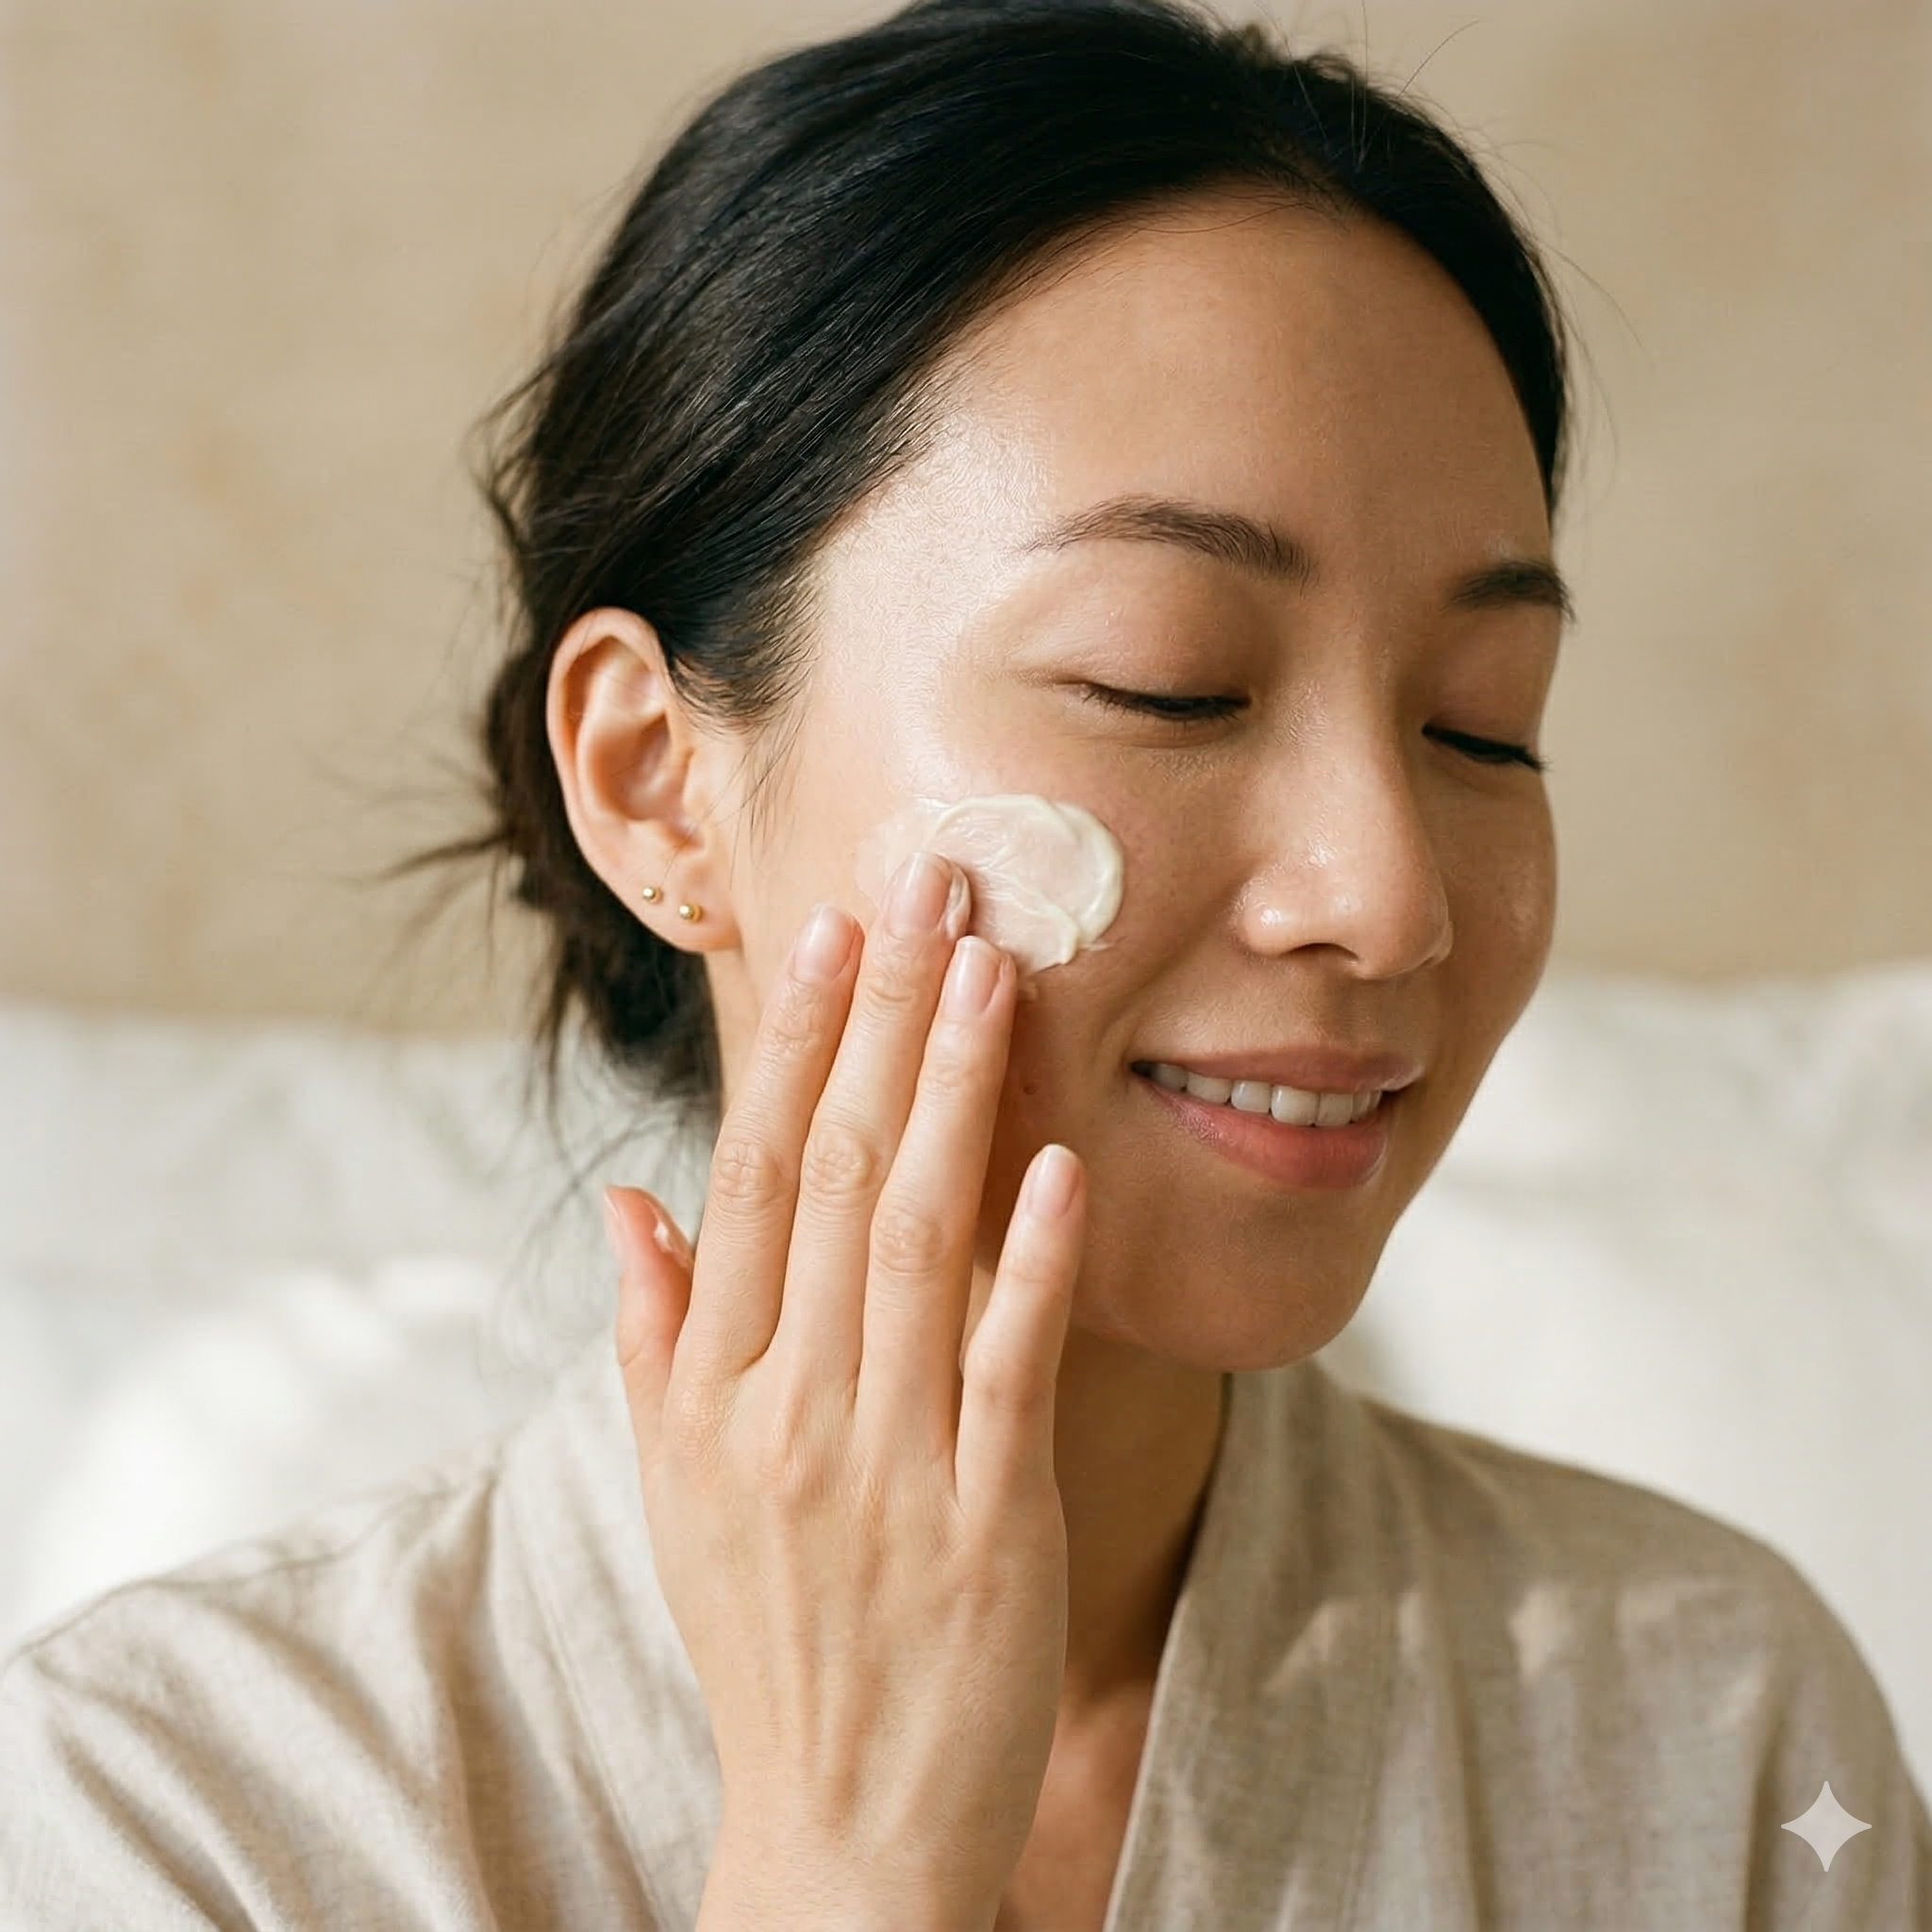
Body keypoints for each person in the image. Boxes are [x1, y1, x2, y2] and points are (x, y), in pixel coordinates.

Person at [3, 1, 1926, 1925]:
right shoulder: (163, 1815)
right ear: (657, 780)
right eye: (1167, 680)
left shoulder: (1728, 1740)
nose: (1388, 893)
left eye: (1484, 723)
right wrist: (851, 1859)